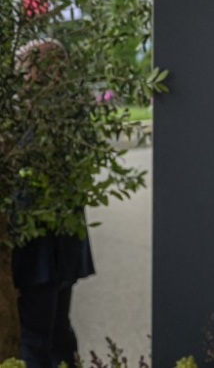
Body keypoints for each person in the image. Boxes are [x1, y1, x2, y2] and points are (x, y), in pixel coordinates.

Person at [11, 38, 95, 368]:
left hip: (38, 252)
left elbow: (25, 192)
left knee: (35, 339)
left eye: (25, 68)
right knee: (56, 332)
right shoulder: (72, 112)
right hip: (60, 249)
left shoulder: (43, 121)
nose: (19, 75)